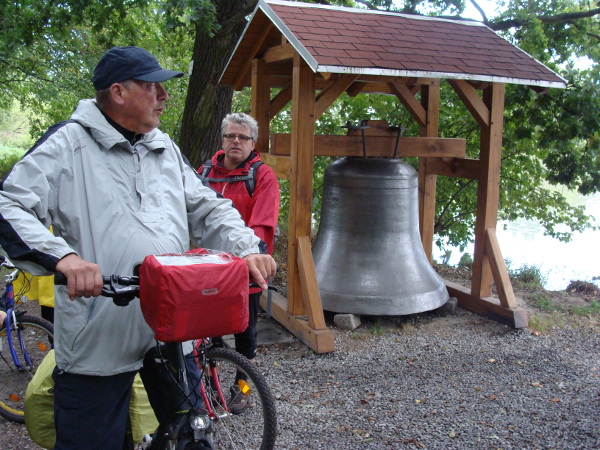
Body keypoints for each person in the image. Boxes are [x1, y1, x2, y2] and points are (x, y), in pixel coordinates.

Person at [0, 46, 276, 449]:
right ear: (118, 92)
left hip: (170, 325)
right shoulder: (68, 143)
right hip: (99, 329)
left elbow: (208, 207)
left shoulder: (163, 147)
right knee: (92, 441)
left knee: (191, 436)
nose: (164, 96)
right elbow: (9, 204)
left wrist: (247, 246)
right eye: (152, 86)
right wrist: (64, 258)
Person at [197, 113, 280, 414]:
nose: (236, 141)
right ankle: (210, 383)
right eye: (231, 135)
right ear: (223, 139)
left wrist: (251, 257)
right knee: (208, 331)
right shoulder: (205, 171)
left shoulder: (262, 175)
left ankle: (243, 387)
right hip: (208, 267)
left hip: (246, 270)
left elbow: (263, 223)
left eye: (243, 137)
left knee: (247, 333)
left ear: (252, 143)